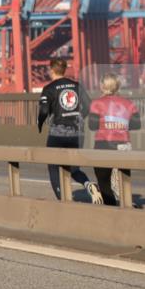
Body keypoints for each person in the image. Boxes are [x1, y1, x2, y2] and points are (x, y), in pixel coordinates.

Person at [37, 58, 103, 204]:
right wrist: (79, 118)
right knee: (73, 168)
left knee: (53, 166)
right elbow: (89, 106)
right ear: (64, 69)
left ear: (52, 70)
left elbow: (43, 110)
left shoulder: (49, 88)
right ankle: (88, 184)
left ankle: (63, 199)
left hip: (57, 133)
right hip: (77, 133)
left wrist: (40, 122)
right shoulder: (77, 85)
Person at [88, 73, 140, 206]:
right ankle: (127, 207)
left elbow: (92, 126)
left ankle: (111, 209)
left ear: (102, 86)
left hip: (103, 145)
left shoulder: (97, 103)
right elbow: (136, 125)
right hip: (124, 145)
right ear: (117, 86)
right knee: (124, 181)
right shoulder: (128, 103)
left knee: (104, 182)